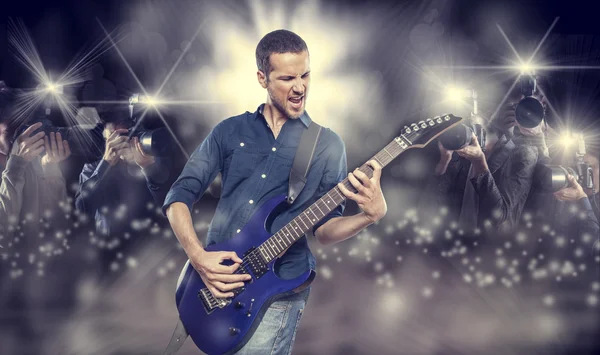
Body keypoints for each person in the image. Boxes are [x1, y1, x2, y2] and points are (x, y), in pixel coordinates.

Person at [162, 29, 388, 354]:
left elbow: (324, 231)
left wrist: (369, 216)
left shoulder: (326, 145)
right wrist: (198, 257)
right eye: (287, 78)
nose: (300, 87)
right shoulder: (229, 131)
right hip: (211, 281)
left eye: (305, 75)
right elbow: (179, 196)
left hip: (274, 295)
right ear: (262, 78)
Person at [430, 118, 538, 233]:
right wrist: (444, 160)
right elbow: (435, 203)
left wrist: (478, 160)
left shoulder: (524, 154)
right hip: (454, 239)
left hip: (489, 246)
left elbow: (499, 214)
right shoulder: (462, 146)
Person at [74, 114, 172, 238]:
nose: (120, 143)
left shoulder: (150, 156)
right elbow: (83, 208)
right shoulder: (93, 167)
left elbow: (170, 203)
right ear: (105, 136)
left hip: (152, 240)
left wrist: (148, 167)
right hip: (113, 244)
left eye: (124, 135)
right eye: (115, 136)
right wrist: (106, 164)